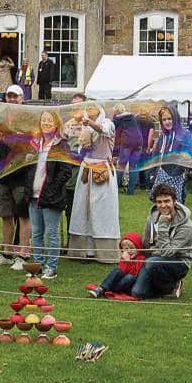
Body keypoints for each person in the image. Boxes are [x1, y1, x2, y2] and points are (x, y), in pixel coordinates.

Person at [67, 102, 120, 263]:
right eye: (87, 107)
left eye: (92, 107)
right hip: (86, 169)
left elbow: (103, 131)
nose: (89, 110)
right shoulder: (84, 126)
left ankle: (103, 252)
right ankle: (84, 251)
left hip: (102, 169)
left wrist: (88, 123)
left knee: (101, 210)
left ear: (100, 108)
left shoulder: (107, 123)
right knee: (84, 210)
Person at [0, 85, 32, 271]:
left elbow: (29, 148)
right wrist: (1, 161)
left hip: (21, 176)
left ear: (22, 98)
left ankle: (22, 254)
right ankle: (6, 253)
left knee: (23, 215)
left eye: (16, 96)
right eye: (10, 96)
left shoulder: (28, 119)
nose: (12, 99)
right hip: (4, 175)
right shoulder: (0, 120)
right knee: (5, 215)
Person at [26, 110, 72, 280]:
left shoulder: (61, 145)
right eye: (43, 120)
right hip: (34, 195)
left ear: (56, 124)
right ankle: (37, 265)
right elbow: (29, 168)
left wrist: (52, 188)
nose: (46, 123)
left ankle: (51, 267)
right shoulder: (35, 143)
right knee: (37, 232)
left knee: (51, 233)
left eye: (49, 120)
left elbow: (66, 171)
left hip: (51, 197)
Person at [131, 183, 192, 299]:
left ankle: (173, 284)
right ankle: (160, 287)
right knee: (137, 293)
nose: (163, 205)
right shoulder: (151, 218)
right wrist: (135, 250)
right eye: (159, 202)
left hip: (179, 263)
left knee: (151, 263)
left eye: (167, 201)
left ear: (174, 201)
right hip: (153, 259)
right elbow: (146, 244)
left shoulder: (186, 226)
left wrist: (163, 224)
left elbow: (167, 252)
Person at [148, 104, 192, 203]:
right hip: (161, 175)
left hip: (177, 176)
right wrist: (152, 172)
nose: (167, 122)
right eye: (164, 120)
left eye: (169, 118)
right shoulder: (162, 137)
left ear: (175, 118)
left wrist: (173, 175)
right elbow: (155, 156)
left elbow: (186, 156)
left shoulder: (185, 135)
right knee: (160, 204)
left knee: (175, 206)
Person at [88, 232, 147, 298]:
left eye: (132, 248)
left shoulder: (141, 258)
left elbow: (135, 273)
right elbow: (122, 270)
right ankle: (101, 289)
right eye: (126, 249)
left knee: (130, 277)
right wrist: (125, 260)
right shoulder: (124, 256)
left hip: (129, 284)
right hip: (120, 281)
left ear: (138, 247)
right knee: (117, 270)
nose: (129, 251)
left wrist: (129, 261)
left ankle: (108, 288)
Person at [112, 104, 144, 196]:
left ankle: (115, 189)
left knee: (121, 166)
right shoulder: (132, 117)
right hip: (138, 142)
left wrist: (115, 152)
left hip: (126, 143)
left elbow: (117, 136)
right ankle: (131, 191)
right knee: (133, 168)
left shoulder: (117, 120)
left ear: (116, 111)